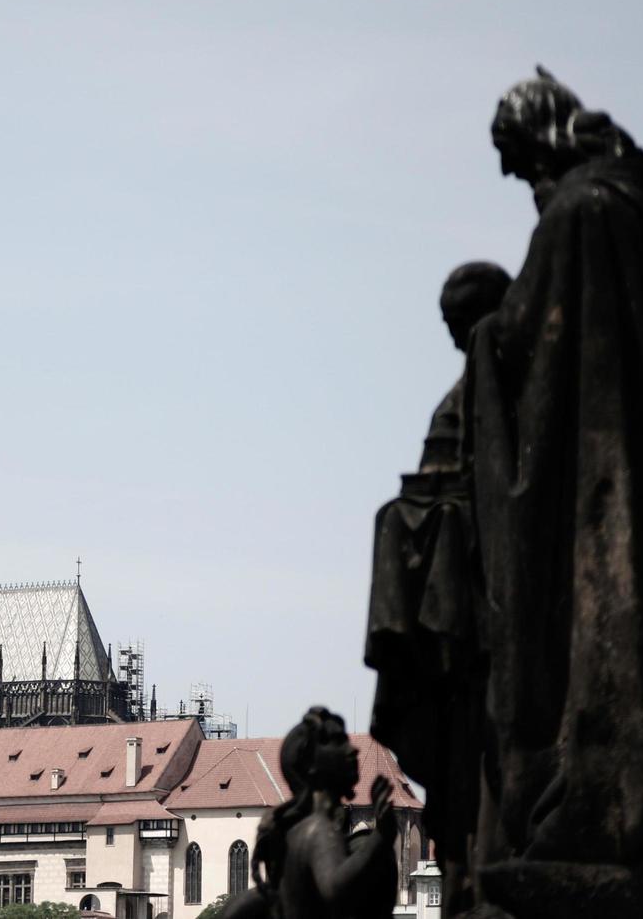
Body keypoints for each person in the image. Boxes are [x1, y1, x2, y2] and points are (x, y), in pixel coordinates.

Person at [466, 68, 643, 915]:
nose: (528, 190)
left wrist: (483, 340)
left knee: (594, 650)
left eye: (521, 170)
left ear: (541, 141)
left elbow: (523, 351)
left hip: (595, 501)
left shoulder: (579, 217)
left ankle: (592, 800)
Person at [365, 261, 509, 916]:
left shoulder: (493, 390)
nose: (455, 340)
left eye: (457, 326)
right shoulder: (473, 392)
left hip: (478, 609)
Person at [229, 706, 396, 919]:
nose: (353, 750)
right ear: (309, 764)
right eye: (338, 741)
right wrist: (380, 837)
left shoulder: (299, 830)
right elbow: (336, 890)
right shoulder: (317, 829)